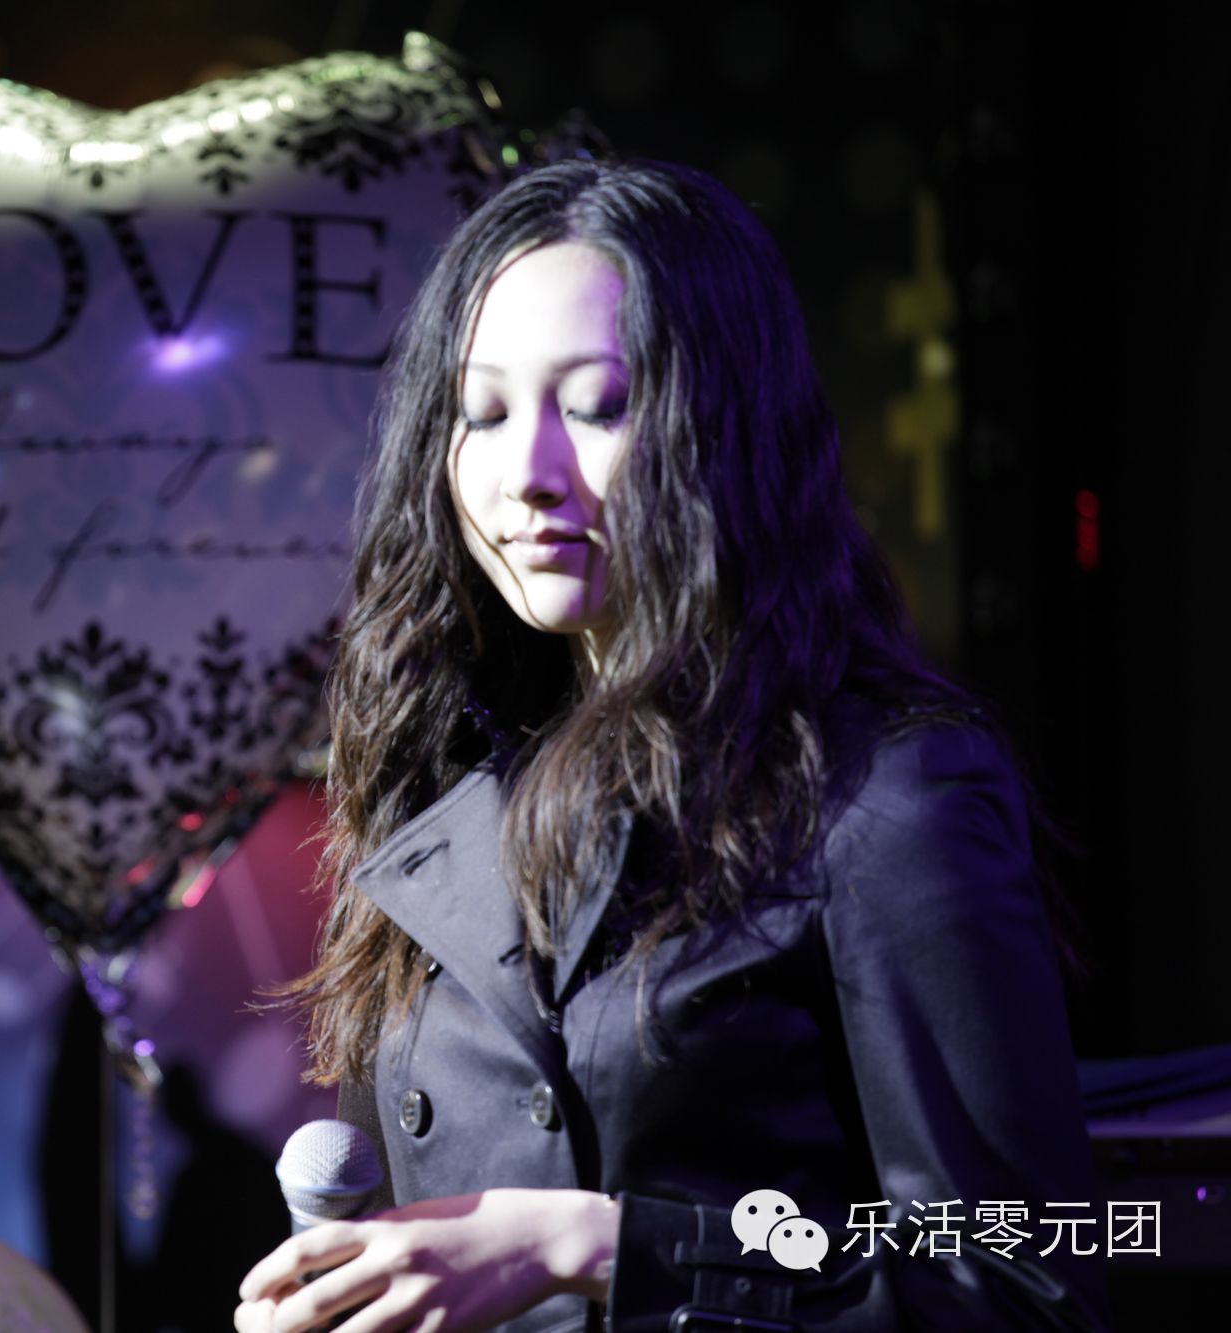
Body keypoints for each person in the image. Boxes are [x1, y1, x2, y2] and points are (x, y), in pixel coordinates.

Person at [233, 160, 1110, 1333]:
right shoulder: (437, 797)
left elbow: (1025, 1289)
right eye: (481, 414)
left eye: (595, 406)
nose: (525, 476)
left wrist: (600, 1246)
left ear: (723, 424)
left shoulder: (882, 794)